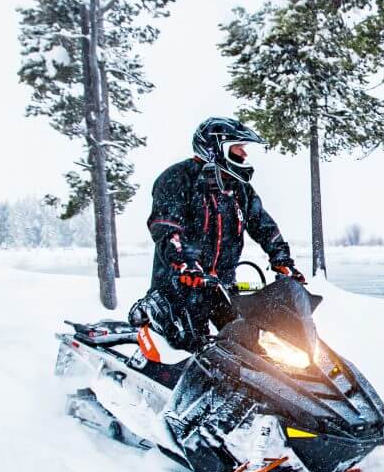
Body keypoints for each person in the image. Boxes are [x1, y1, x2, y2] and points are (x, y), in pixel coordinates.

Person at [129, 117, 305, 351]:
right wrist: (185, 263)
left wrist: (282, 260)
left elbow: (263, 225)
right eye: (238, 147)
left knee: (249, 344)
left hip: (220, 287)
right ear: (216, 148)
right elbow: (166, 227)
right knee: (195, 350)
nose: (244, 154)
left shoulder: (238, 188)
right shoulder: (178, 179)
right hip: (180, 287)